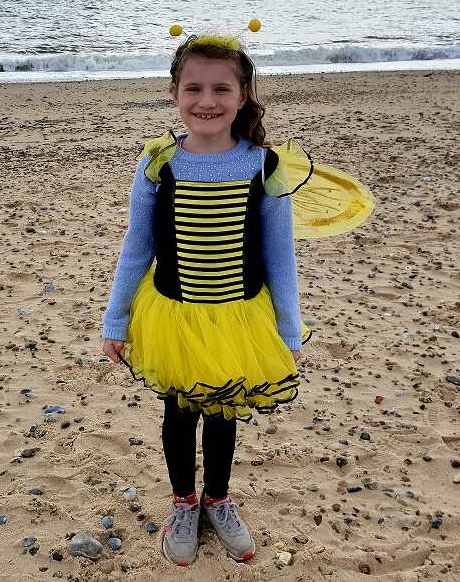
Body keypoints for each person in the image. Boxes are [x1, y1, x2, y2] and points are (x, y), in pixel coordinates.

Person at [101, 31, 308, 567]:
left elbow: (280, 256)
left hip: (239, 319)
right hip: (174, 317)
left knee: (223, 412)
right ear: (174, 93)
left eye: (221, 89)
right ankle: (183, 503)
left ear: (242, 96)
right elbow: (137, 247)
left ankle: (218, 498)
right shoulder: (158, 164)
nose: (207, 101)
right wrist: (115, 319)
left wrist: (288, 331)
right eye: (193, 88)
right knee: (178, 411)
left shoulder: (264, 166)